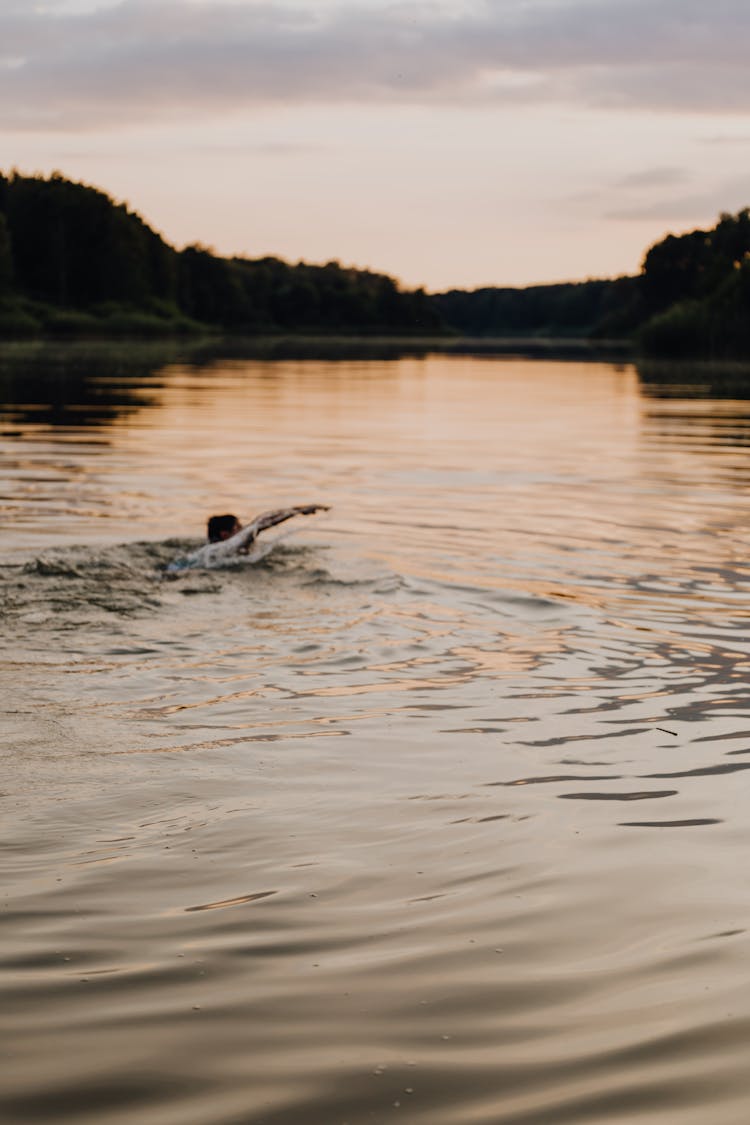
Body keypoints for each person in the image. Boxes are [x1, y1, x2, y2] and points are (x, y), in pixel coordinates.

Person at [167, 504, 329, 572]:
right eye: (238, 527)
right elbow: (260, 523)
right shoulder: (229, 546)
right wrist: (299, 511)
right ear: (225, 534)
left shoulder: (204, 551)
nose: (243, 529)